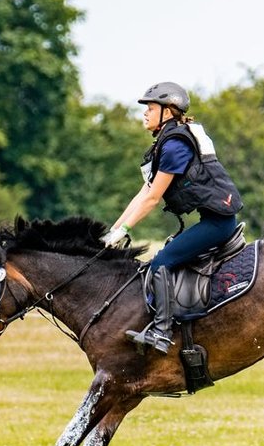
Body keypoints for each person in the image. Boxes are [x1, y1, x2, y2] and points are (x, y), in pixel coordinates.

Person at [101, 81, 244, 354]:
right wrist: (115, 229)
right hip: (214, 220)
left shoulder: (175, 146)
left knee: (161, 262)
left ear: (168, 111)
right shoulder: (166, 143)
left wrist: (125, 228)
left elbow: (153, 199)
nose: (144, 113)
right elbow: (143, 193)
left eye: (150, 108)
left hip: (219, 223)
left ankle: (162, 332)